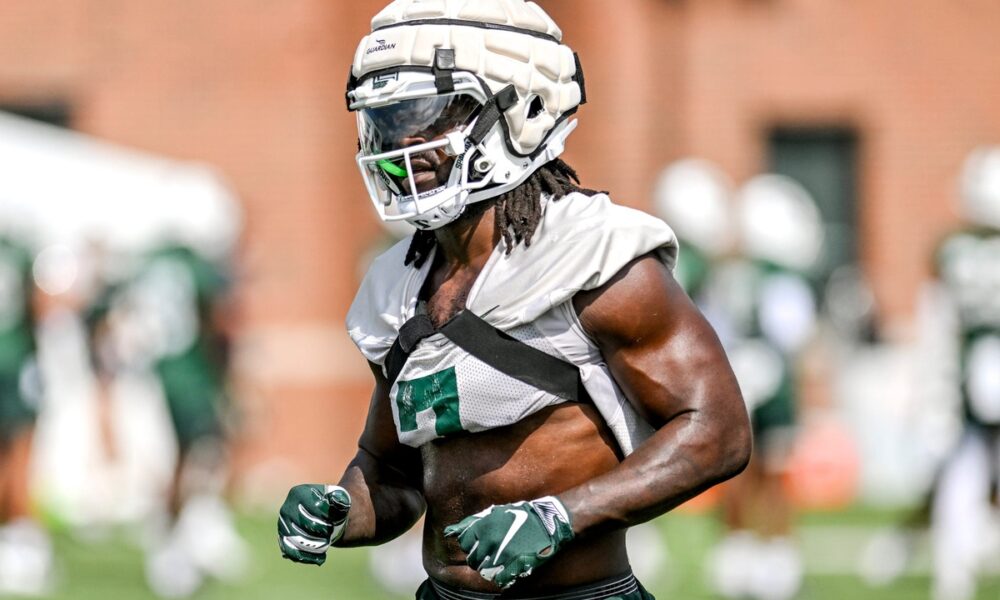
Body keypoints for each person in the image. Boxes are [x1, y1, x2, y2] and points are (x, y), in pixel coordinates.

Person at [278, 1, 751, 598]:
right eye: (388, 119)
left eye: (426, 114)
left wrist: (564, 515)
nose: (403, 142)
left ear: (520, 111)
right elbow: (395, 474)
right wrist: (342, 507)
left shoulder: (594, 258)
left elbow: (719, 432)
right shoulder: (397, 287)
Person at [702, 175, 822, 600]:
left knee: (736, 473)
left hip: (734, 380)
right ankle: (776, 559)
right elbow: (794, 335)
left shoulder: (726, 273)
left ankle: (737, 554)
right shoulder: (781, 279)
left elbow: (712, 329)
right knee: (775, 475)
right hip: (773, 387)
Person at [927, 146, 1000, 600]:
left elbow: (939, 321)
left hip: (971, 367)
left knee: (963, 470)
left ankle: (954, 569)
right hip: (985, 361)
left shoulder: (953, 250)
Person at [0, 232, 51, 596]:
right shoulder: (19, 248)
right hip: (16, 364)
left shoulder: (19, 247)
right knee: (19, 458)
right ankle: (22, 543)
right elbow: (45, 307)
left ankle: (22, 543)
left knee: (16, 459)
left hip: (15, 366)